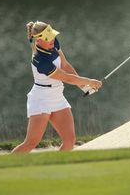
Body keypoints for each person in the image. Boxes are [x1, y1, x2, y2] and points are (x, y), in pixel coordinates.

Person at [11, 21, 102, 153]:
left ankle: (56, 170)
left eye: (52, 36)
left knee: (70, 140)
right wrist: (90, 81)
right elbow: (66, 78)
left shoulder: (53, 43)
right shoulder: (40, 60)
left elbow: (65, 65)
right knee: (30, 143)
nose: (52, 40)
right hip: (41, 99)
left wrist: (84, 86)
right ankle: (2, 169)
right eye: (48, 38)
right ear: (38, 40)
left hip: (57, 96)